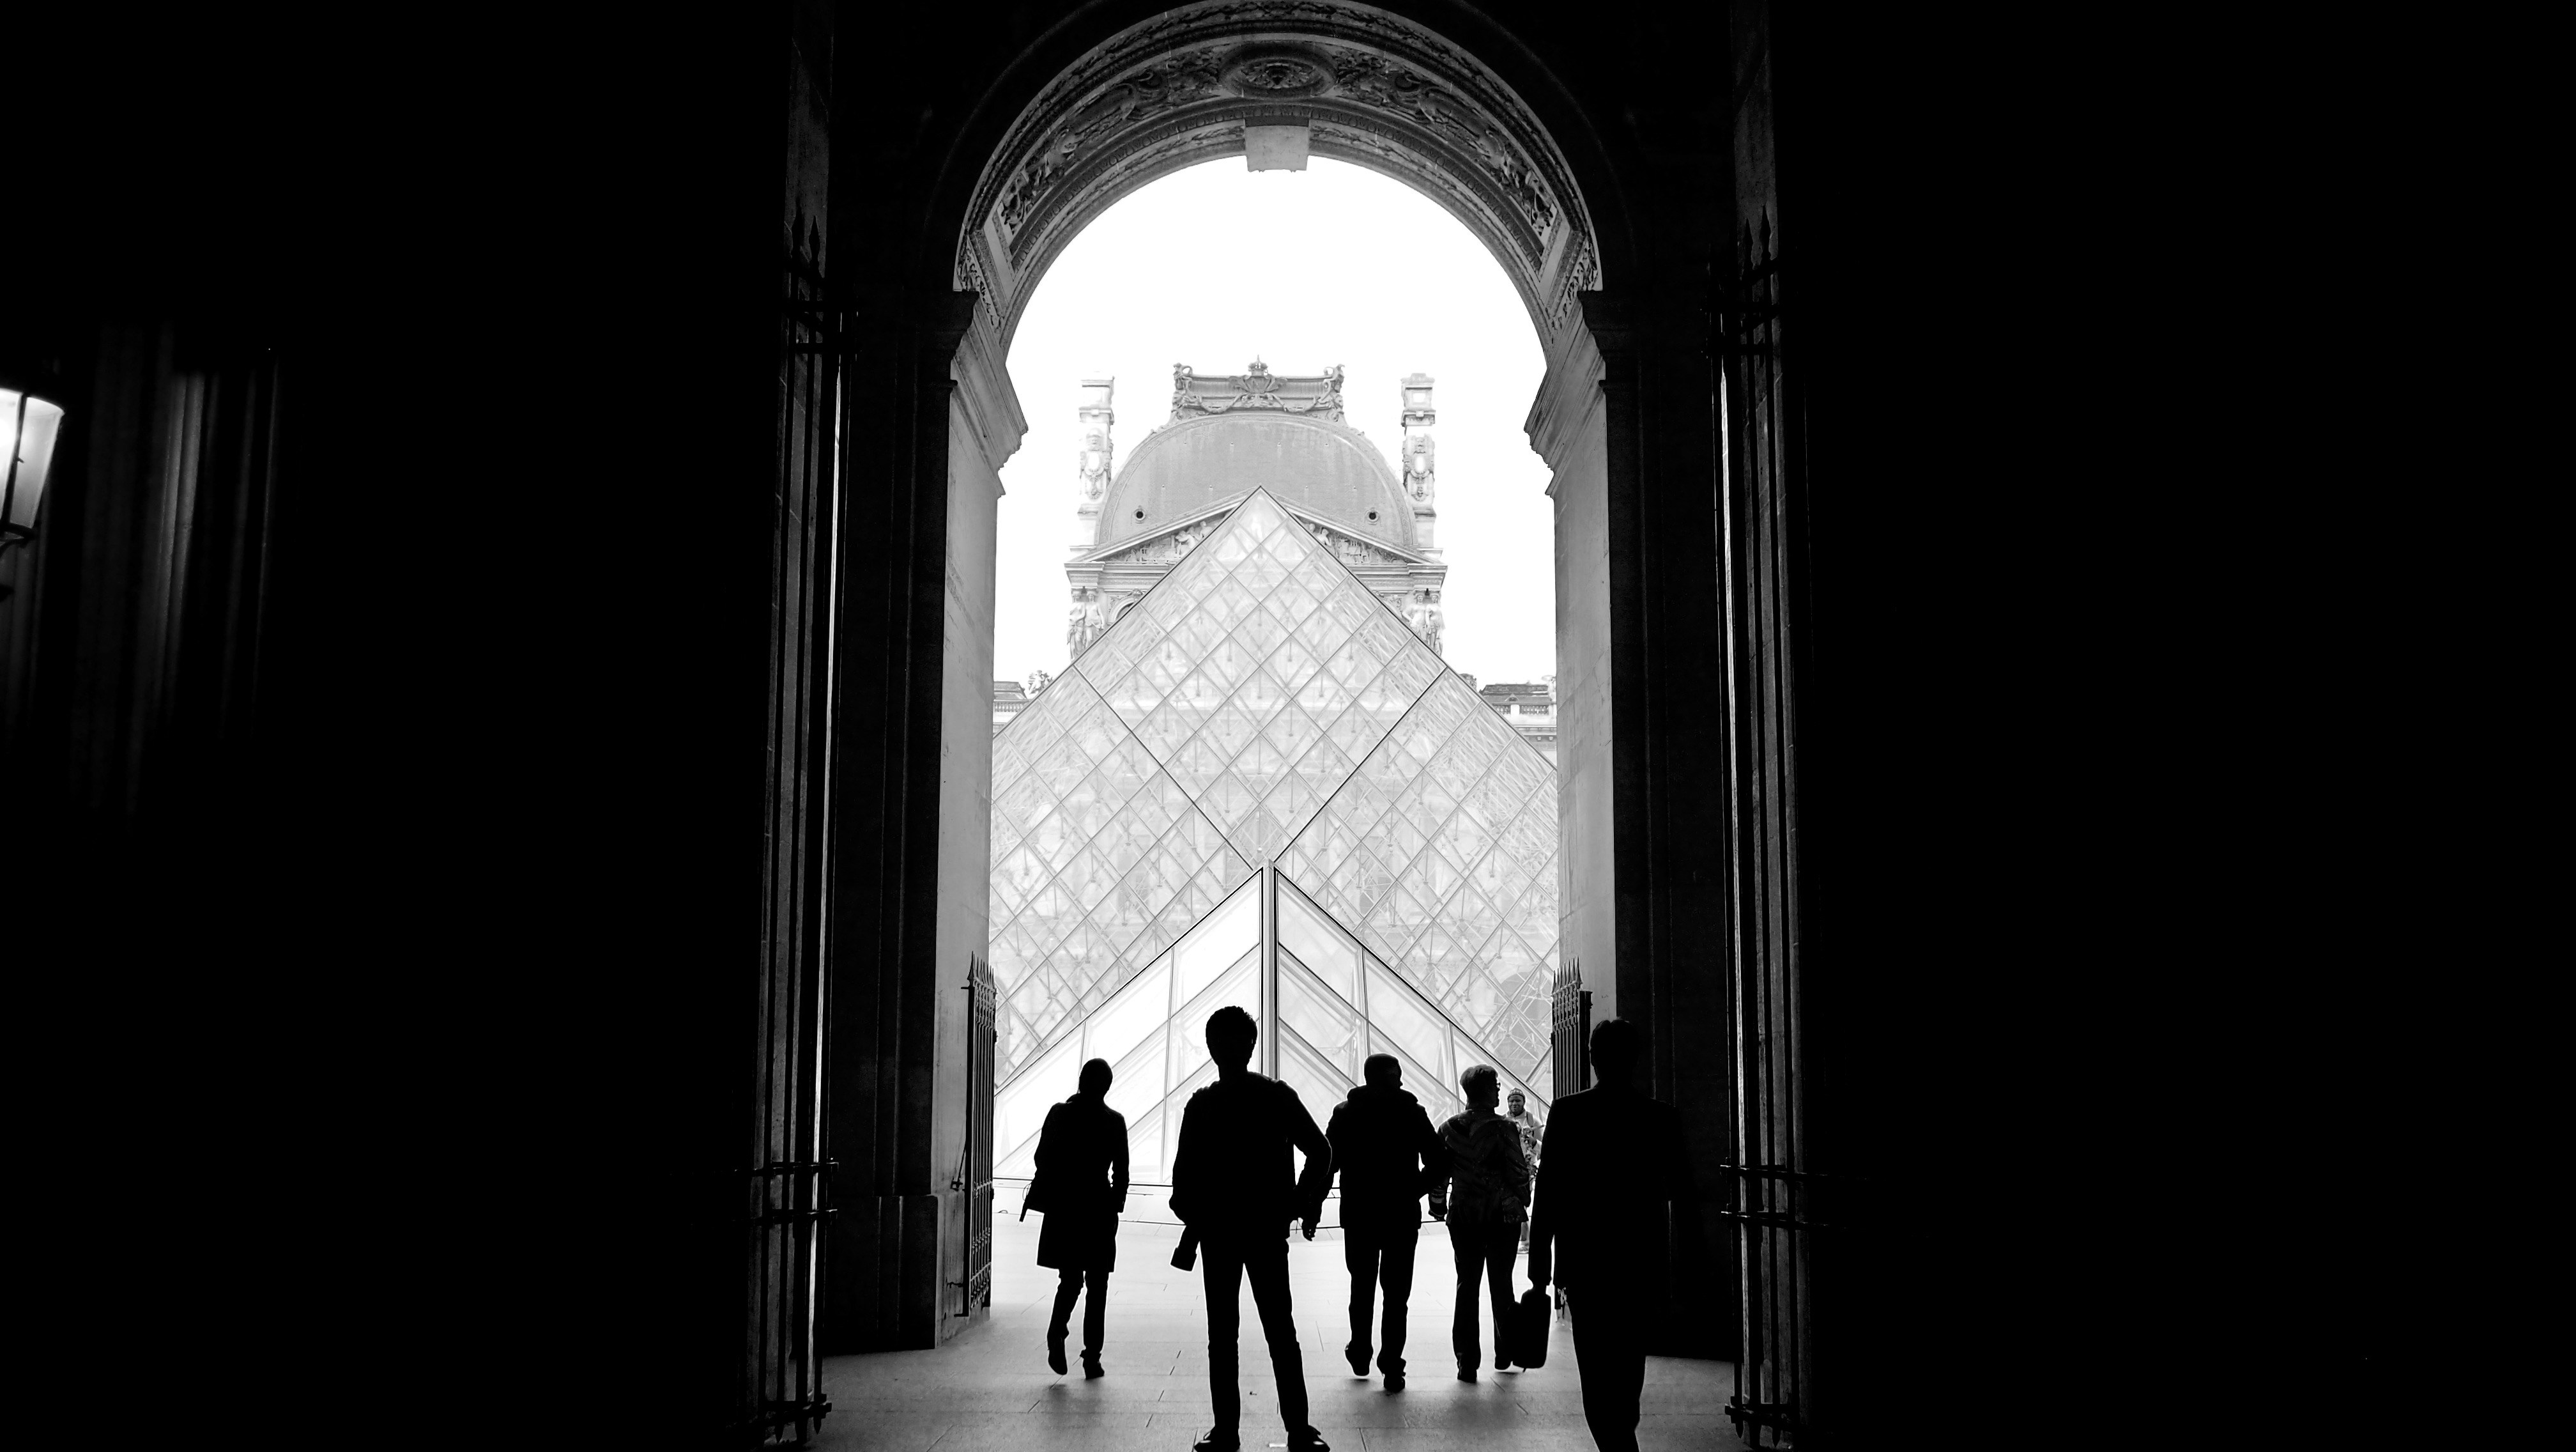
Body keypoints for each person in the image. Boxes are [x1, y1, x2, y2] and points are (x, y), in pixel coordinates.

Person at [1169, 1006, 1334, 1452]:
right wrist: (1296, 1202)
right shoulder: (1276, 1096)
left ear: (1211, 1048)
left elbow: (1182, 1179)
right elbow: (1321, 1152)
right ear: (1252, 1045)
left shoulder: (1202, 1104)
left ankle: (1226, 1431)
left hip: (1218, 1233)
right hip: (1265, 1229)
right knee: (1281, 1332)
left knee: (1222, 1336)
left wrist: (1196, 1218)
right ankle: (1298, 1429)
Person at [1526, 1019, 1685, 1452]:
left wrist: (1540, 1269)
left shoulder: (1568, 1112)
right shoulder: (1661, 1117)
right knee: (1630, 1364)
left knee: (1596, 1369)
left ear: (1592, 1057)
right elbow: (1685, 1197)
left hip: (1586, 1260)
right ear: (1636, 1058)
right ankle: (1622, 1434)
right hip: (1640, 1259)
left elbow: (1548, 1194)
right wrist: (1690, 1268)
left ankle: (1616, 1443)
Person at [1325, 1053, 1452, 1391]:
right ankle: (1392, 1364)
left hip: (1359, 1213)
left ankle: (1360, 1350)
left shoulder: (1346, 1113)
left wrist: (1311, 1205)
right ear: (1391, 1077)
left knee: (1361, 1285)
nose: (1401, 1080)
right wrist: (1414, 1190)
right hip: (1400, 1215)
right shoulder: (1412, 1112)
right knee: (1396, 1295)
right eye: (1397, 1075)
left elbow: (1329, 1163)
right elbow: (1439, 1162)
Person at [1027, 1057, 1130, 1378]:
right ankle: (1092, 1358)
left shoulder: (1059, 1114)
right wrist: (1114, 1205)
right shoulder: (1115, 1121)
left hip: (1066, 1207)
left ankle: (1057, 1331)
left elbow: (1041, 1158)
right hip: (1098, 1209)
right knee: (1098, 1286)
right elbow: (1122, 1173)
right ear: (1107, 1087)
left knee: (1070, 1279)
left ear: (1081, 1081)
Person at [1436, 1063, 1530, 1380]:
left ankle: (1467, 1361)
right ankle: (1505, 1352)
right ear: (1486, 1091)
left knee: (1467, 1284)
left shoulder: (1449, 1128)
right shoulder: (1504, 1128)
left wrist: (1438, 1205)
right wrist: (1523, 1197)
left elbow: (1439, 1173)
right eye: (1496, 1086)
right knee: (1502, 1284)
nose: (1499, 1091)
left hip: (1464, 1214)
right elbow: (1517, 1170)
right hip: (1502, 1214)